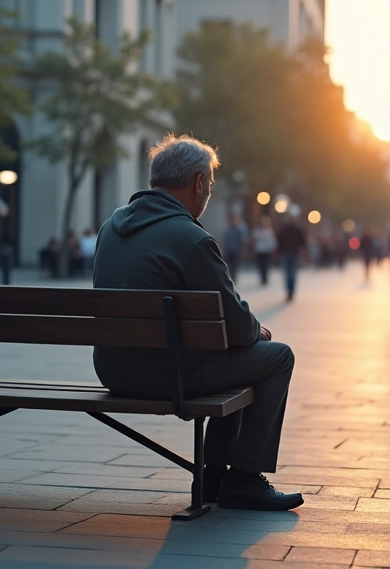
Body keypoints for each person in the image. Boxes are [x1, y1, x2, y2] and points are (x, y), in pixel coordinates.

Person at [92, 134, 301, 511]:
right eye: (210, 184)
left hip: (112, 368)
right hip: (168, 374)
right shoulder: (190, 237)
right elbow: (236, 325)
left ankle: (214, 476)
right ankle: (242, 478)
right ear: (199, 183)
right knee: (276, 356)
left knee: (236, 357)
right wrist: (258, 331)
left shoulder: (111, 227)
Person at [277, 214, 307, 302]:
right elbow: (279, 241)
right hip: (288, 253)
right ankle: (289, 291)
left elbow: (302, 242)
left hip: (293, 254)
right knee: (289, 273)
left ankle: (290, 291)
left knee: (291, 273)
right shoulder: (287, 230)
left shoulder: (295, 230)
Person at [251, 216, 277, 286]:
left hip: (267, 250)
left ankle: (265, 278)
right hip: (259, 250)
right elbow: (254, 239)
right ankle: (262, 277)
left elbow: (272, 241)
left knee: (266, 265)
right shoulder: (257, 230)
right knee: (260, 265)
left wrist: (273, 248)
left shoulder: (270, 230)